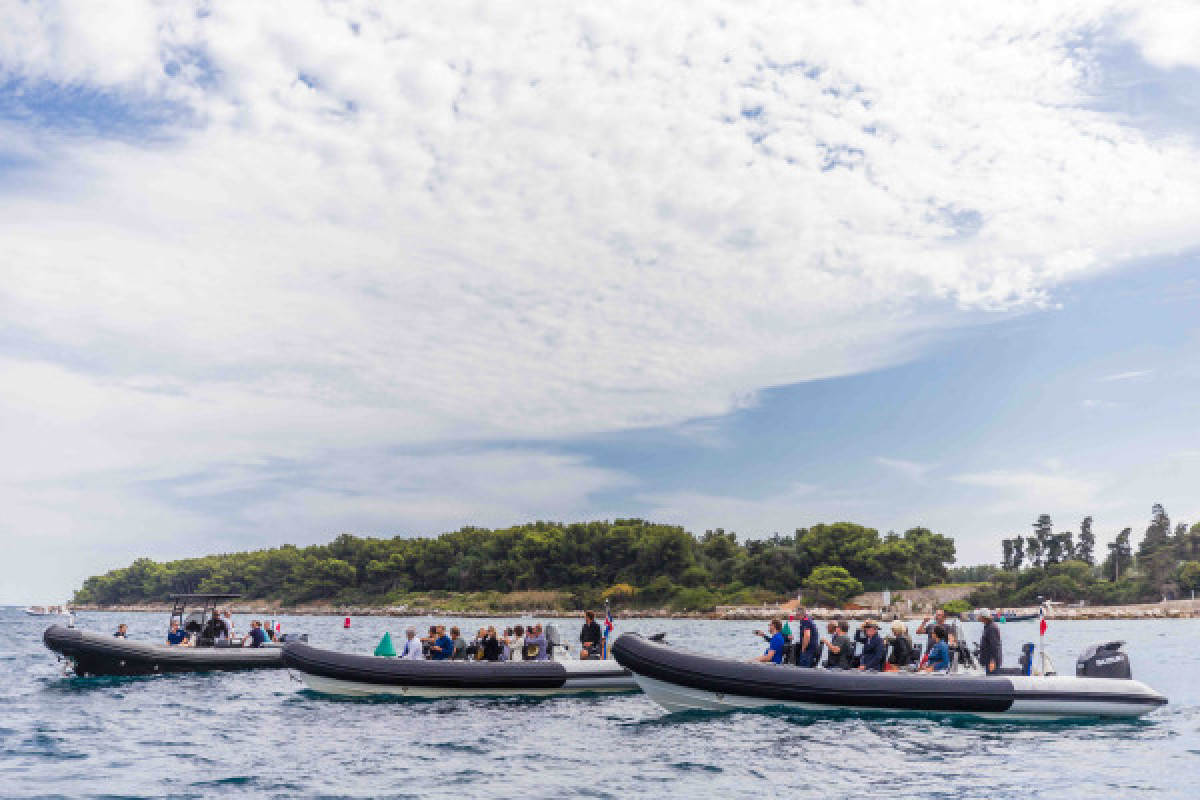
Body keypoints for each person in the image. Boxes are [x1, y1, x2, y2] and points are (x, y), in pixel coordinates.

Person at [977, 609, 1003, 674]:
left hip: (991, 662)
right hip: (987, 660)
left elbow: (995, 646)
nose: (978, 617)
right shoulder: (988, 627)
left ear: (984, 617)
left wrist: (993, 661)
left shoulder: (991, 628)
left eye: (979, 615)